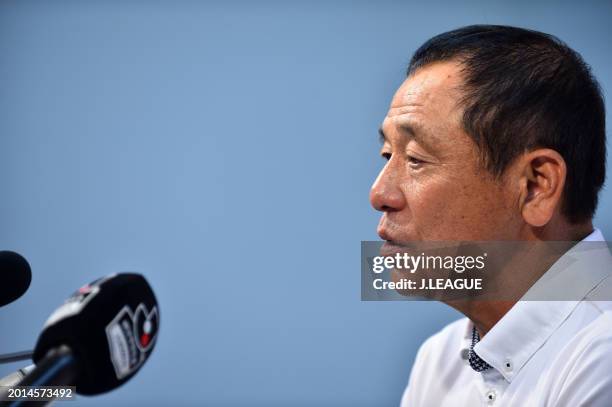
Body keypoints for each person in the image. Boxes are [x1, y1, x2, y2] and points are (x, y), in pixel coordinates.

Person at [369, 25, 611, 406]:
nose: (379, 194)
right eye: (388, 156)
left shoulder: (602, 358)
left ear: (535, 185)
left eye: (415, 159)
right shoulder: (441, 360)